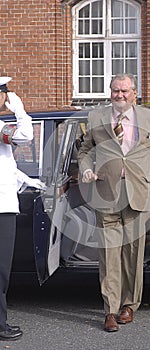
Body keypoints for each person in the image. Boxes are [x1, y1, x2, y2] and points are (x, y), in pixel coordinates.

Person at [78, 73, 150, 332]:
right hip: (105, 193)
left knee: (133, 253)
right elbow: (85, 150)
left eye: (124, 91)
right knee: (109, 254)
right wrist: (86, 169)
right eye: (115, 91)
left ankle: (129, 305)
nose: (119, 95)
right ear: (110, 92)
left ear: (134, 93)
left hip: (138, 193)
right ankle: (110, 310)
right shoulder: (96, 118)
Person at [0, 76, 33, 341]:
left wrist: (25, 179)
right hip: (1, 208)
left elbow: (5, 165)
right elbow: (24, 135)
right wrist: (19, 109)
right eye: (6, 95)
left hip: (4, 204)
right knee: (1, 270)